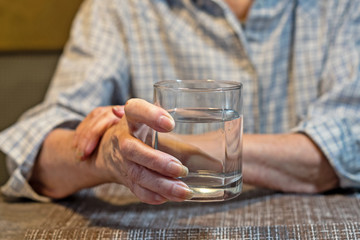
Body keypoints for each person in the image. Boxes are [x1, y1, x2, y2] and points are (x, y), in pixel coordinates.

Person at [0, 0, 359, 204]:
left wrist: (155, 146)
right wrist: (112, 149)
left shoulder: (342, 7)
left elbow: (347, 141)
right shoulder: (117, 8)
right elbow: (36, 150)